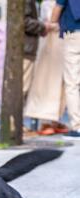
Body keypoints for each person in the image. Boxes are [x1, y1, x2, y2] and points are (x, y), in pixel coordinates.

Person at [25, 0, 68, 135]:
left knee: (62, 84)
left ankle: (54, 120)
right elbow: (48, 22)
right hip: (50, 44)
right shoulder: (46, 4)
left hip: (63, 44)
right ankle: (45, 120)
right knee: (47, 82)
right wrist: (52, 24)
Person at [52, 0, 80, 139]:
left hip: (75, 35)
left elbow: (57, 9)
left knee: (72, 83)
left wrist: (51, 23)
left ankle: (77, 127)